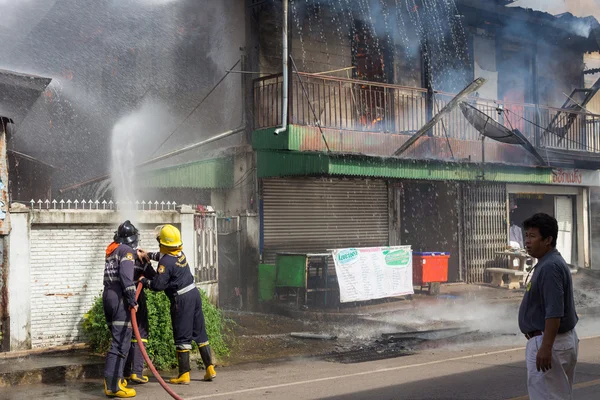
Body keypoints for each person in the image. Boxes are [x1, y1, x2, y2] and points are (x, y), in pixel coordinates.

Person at [137, 224, 217, 385]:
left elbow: (159, 286)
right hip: (194, 294)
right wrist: (148, 255)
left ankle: (184, 374)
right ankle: (210, 369)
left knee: (182, 334)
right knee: (199, 332)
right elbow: (162, 256)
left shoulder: (166, 262)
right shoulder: (179, 254)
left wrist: (143, 280)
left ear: (163, 243)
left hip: (182, 300)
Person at [518, 213, 579, 400]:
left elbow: (554, 312)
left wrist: (545, 347)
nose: (527, 241)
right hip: (554, 341)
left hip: (549, 341)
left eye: (533, 236)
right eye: (526, 236)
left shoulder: (550, 266)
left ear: (548, 240)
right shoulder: (546, 263)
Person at [103, 220, 140, 398]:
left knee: (116, 339)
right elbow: (126, 277)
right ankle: (114, 386)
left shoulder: (113, 250)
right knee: (120, 342)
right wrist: (133, 300)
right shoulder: (127, 252)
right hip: (119, 298)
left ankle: (113, 380)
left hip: (108, 295)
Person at [123, 251, 157, 384]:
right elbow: (154, 278)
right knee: (140, 334)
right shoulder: (139, 261)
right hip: (136, 301)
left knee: (125, 334)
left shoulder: (116, 256)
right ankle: (137, 372)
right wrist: (147, 262)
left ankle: (124, 373)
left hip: (120, 301)